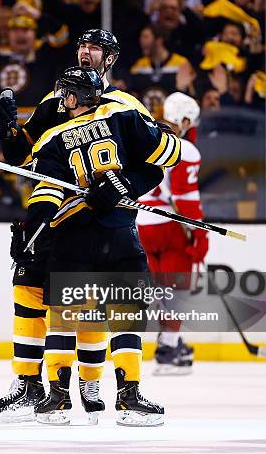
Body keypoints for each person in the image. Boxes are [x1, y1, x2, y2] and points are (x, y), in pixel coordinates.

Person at [0, 29, 169, 425]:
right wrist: (6, 130)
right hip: (56, 220)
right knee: (33, 296)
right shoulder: (56, 100)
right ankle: (34, 388)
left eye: (96, 47)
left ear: (110, 58)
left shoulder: (123, 104)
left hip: (96, 221)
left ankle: (82, 388)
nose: (87, 51)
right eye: (83, 45)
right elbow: (21, 156)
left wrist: (122, 184)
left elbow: (158, 157)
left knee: (82, 308)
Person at [26, 66, 177, 426]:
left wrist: (34, 228)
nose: (61, 100)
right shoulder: (122, 114)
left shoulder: (51, 138)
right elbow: (162, 159)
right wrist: (125, 183)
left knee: (65, 320)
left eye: (65, 94)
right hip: (120, 231)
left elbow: (46, 192)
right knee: (127, 316)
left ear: (75, 96)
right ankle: (129, 398)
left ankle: (58, 399)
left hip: (72, 237)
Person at [136, 92, 207, 375]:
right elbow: (185, 197)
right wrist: (200, 235)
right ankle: (168, 348)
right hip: (170, 227)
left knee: (162, 291)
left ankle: (171, 341)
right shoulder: (185, 149)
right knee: (178, 290)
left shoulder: (143, 138)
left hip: (141, 223)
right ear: (185, 119)